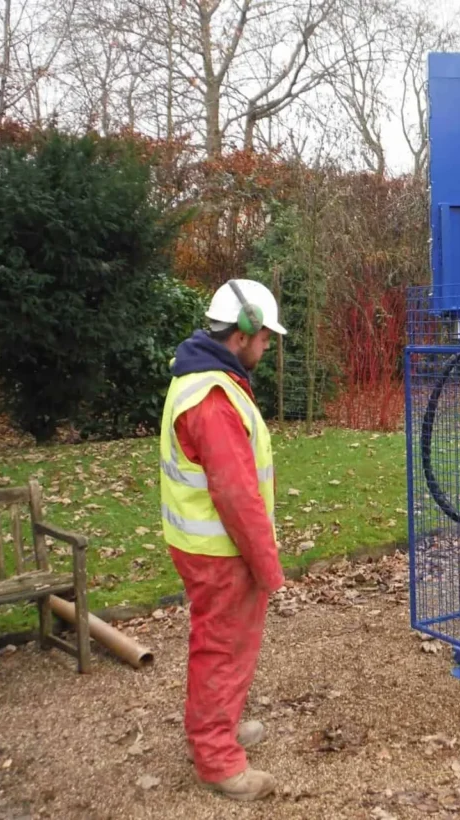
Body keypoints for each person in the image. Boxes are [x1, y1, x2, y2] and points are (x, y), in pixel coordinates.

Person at [159, 279, 287, 801]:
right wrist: (267, 565)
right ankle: (217, 760)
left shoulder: (204, 378)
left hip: (208, 545)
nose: (268, 346)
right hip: (220, 552)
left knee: (224, 646)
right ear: (244, 331)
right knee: (223, 649)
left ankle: (220, 726)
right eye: (265, 337)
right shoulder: (212, 396)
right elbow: (236, 495)